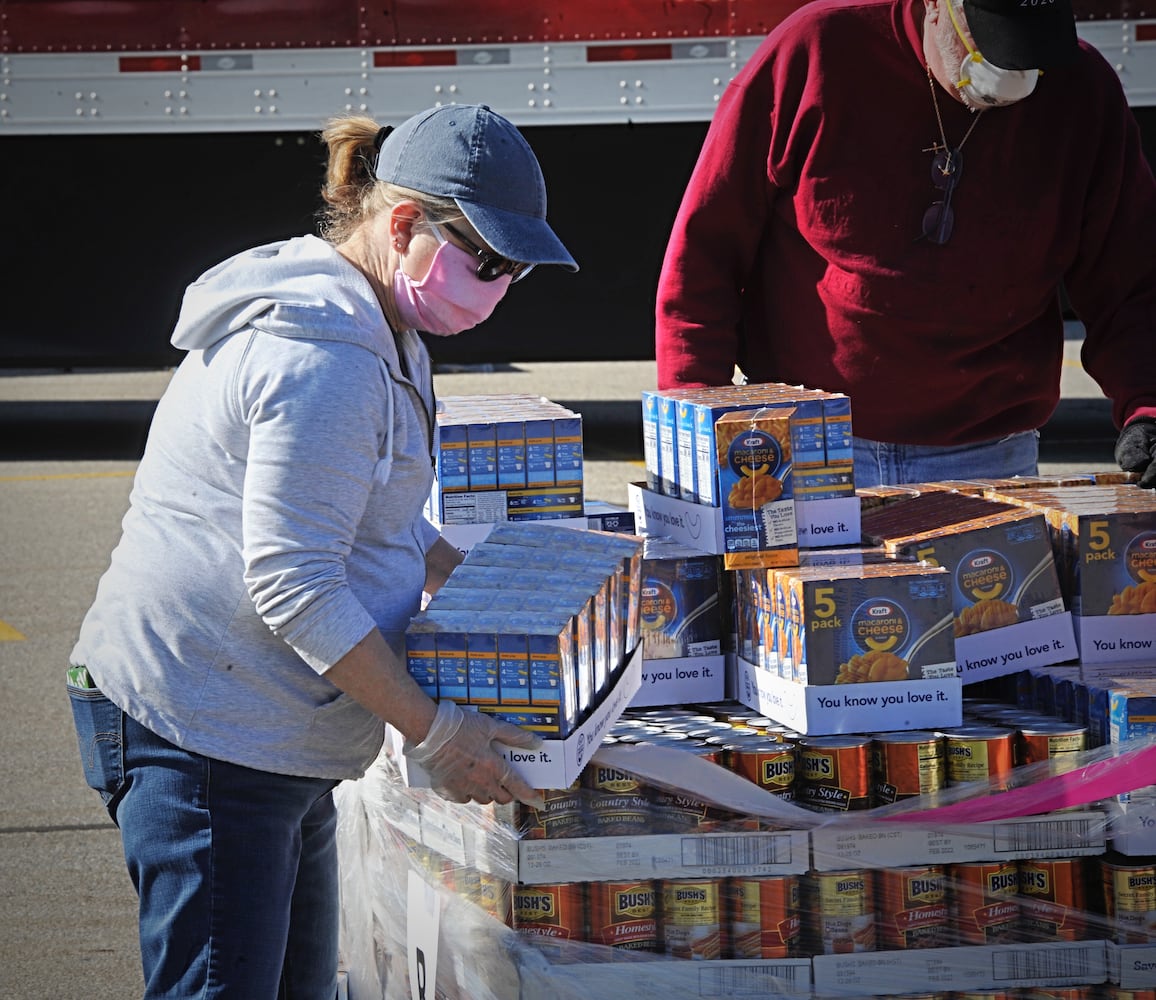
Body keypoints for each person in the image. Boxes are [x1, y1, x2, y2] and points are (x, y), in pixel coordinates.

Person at [67, 103, 577, 999]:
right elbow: (296, 583)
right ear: (404, 223)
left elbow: (368, 518)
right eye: (487, 261)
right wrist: (440, 732)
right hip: (208, 735)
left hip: (272, 731)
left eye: (516, 272)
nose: (498, 287)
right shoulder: (325, 357)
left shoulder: (391, 329)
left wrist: (475, 582)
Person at [655, 0, 1156, 488]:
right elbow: (705, 252)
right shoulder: (817, 51)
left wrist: (1147, 405)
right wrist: (695, 416)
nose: (1009, 79)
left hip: (988, 453)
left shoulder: (1082, 91)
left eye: (1028, 59)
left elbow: (1131, 279)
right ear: (936, 7)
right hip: (806, 447)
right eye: (988, 50)